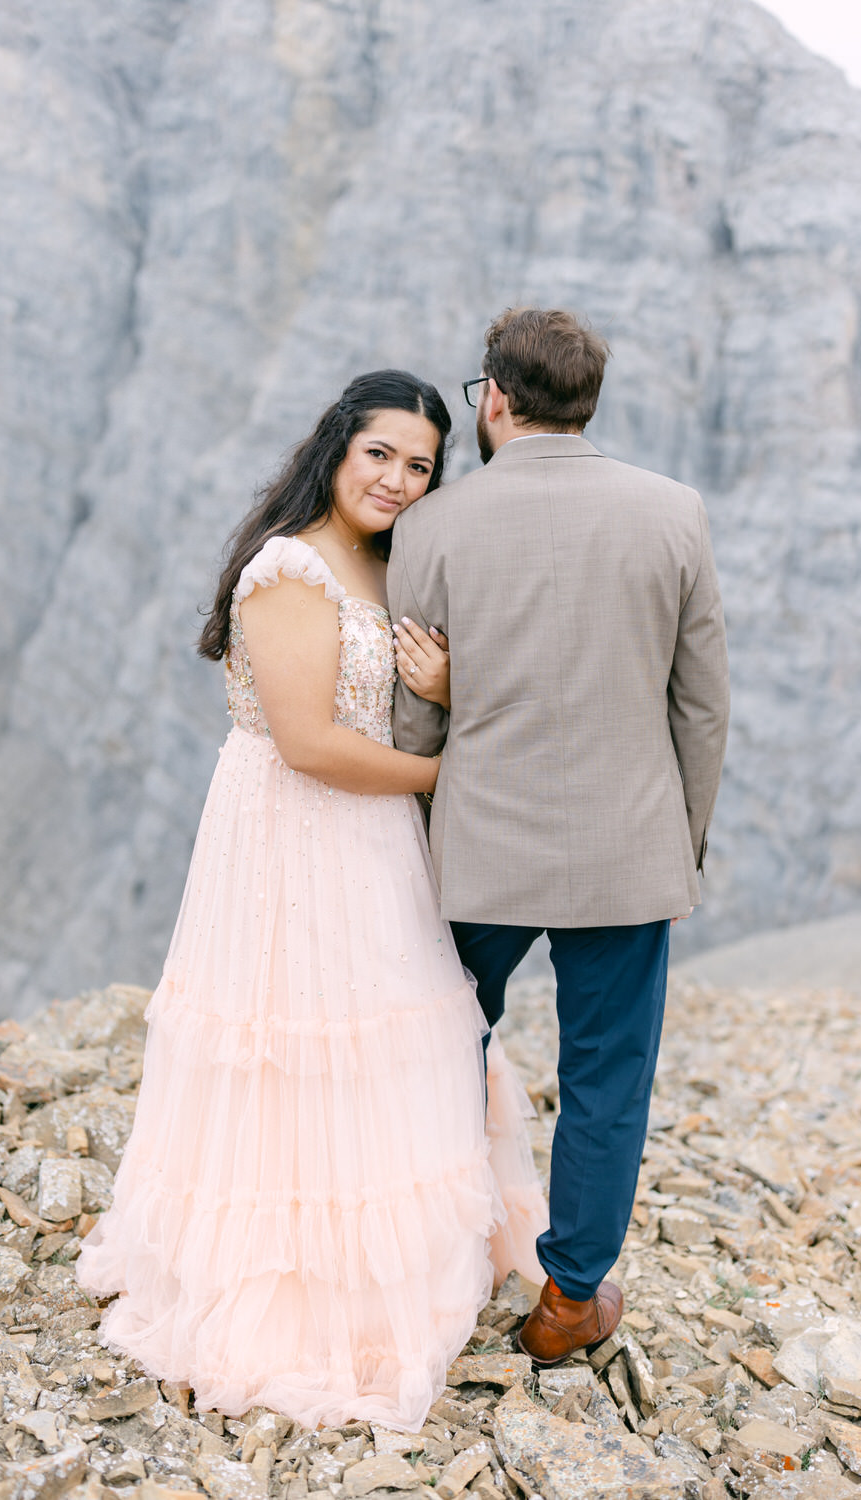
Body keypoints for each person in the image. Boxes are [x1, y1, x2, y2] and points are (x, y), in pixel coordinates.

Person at [76, 369, 547, 1433]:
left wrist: (442, 701)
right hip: (293, 836)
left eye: (419, 463)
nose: (394, 477)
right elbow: (309, 744)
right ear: (336, 448)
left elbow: (391, 705)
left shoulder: (386, 565)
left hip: (372, 838)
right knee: (298, 1043)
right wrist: (452, 776)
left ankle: (382, 1275)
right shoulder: (288, 569)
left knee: (388, 1036)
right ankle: (290, 1288)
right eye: (377, 452)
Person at [388, 309, 730, 1368]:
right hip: (627, 855)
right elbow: (700, 709)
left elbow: (413, 714)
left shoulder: (432, 528)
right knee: (604, 1077)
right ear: (587, 401)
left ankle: (425, 1257)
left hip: (478, 852)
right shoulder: (673, 514)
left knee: (437, 1047)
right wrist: (681, 842)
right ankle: (568, 1299)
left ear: (491, 396)